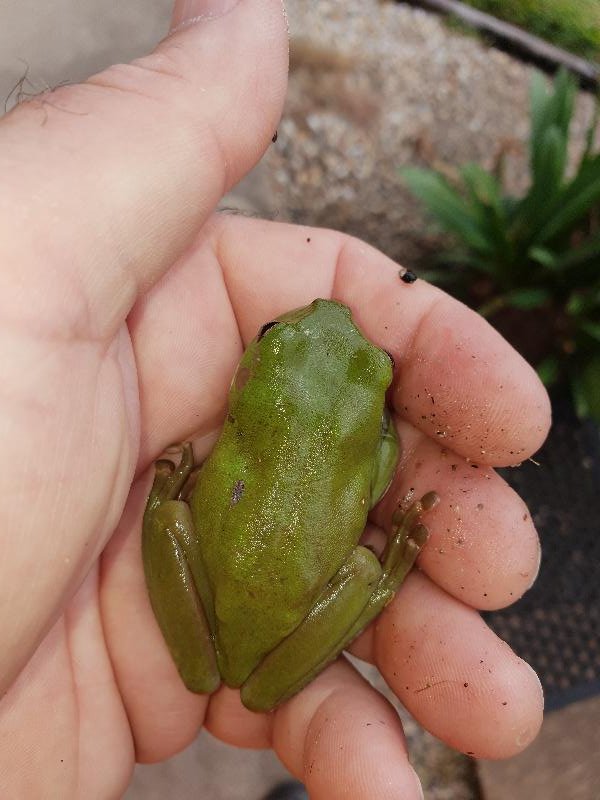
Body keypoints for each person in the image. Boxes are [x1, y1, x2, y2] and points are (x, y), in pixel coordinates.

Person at [0, 1, 549, 798]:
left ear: (247, 379)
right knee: (366, 565)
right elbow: (379, 470)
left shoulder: (262, 398)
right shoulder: (378, 443)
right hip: (272, 625)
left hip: (223, 594)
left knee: (177, 515)